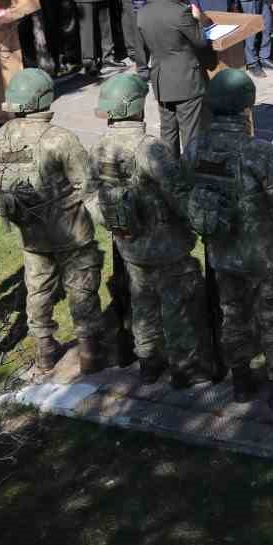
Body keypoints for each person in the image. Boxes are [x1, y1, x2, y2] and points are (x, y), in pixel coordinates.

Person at [184, 69, 273, 408]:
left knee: (232, 316)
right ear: (246, 106)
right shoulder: (259, 152)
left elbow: (183, 190)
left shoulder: (196, 148)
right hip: (264, 257)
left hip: (221, 253)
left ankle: (241, 383)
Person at [90, 72, 216, 388]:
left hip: (129, 244)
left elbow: (89, 196)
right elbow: (179, 194)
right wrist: (202, 223)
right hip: (167, 245)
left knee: (142, 303)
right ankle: (184, 369)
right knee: (177, 306)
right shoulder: (151, 149)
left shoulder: (100, 148)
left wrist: (116, 225)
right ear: (137, 106)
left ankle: (148, 362)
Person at [0, 68, 108, 373]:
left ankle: (45, 349)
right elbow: (87, 185)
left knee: (37, 290)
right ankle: (90, 351)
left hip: (32, 234)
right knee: (81, 288)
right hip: (71, 232)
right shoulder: (60, 140)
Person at [136, 0, 215, 156]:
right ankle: (189, 175)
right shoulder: (182, 12)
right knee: (190, 133)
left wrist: (143, 70)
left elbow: (140, 48)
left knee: (168, 130)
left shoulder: (143, 12)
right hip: (185, 79)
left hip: (161, 79)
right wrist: (197, 19)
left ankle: (169, 173)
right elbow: (201, 42)